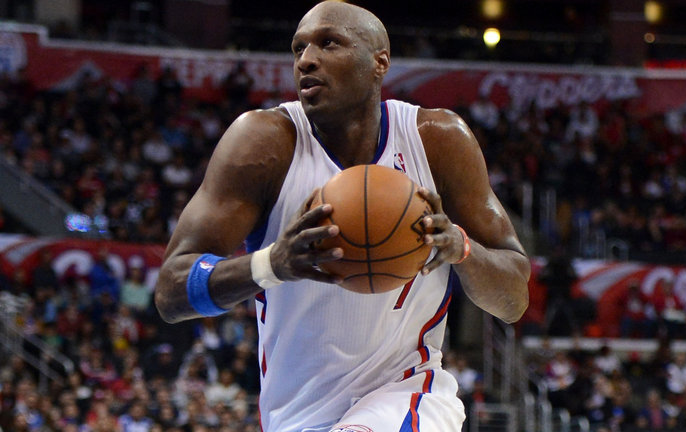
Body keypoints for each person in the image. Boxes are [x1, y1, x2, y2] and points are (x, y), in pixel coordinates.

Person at [154, 2, 531, 432]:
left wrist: (461, 247)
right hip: (294, 415)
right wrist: (271, 264)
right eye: (297, 49)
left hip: (408, 394)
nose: (306, 60)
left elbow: (514, 298)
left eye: (328, 43)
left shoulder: (438, 141)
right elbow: (170, 292)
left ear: (379, 62)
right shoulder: (262, 143)